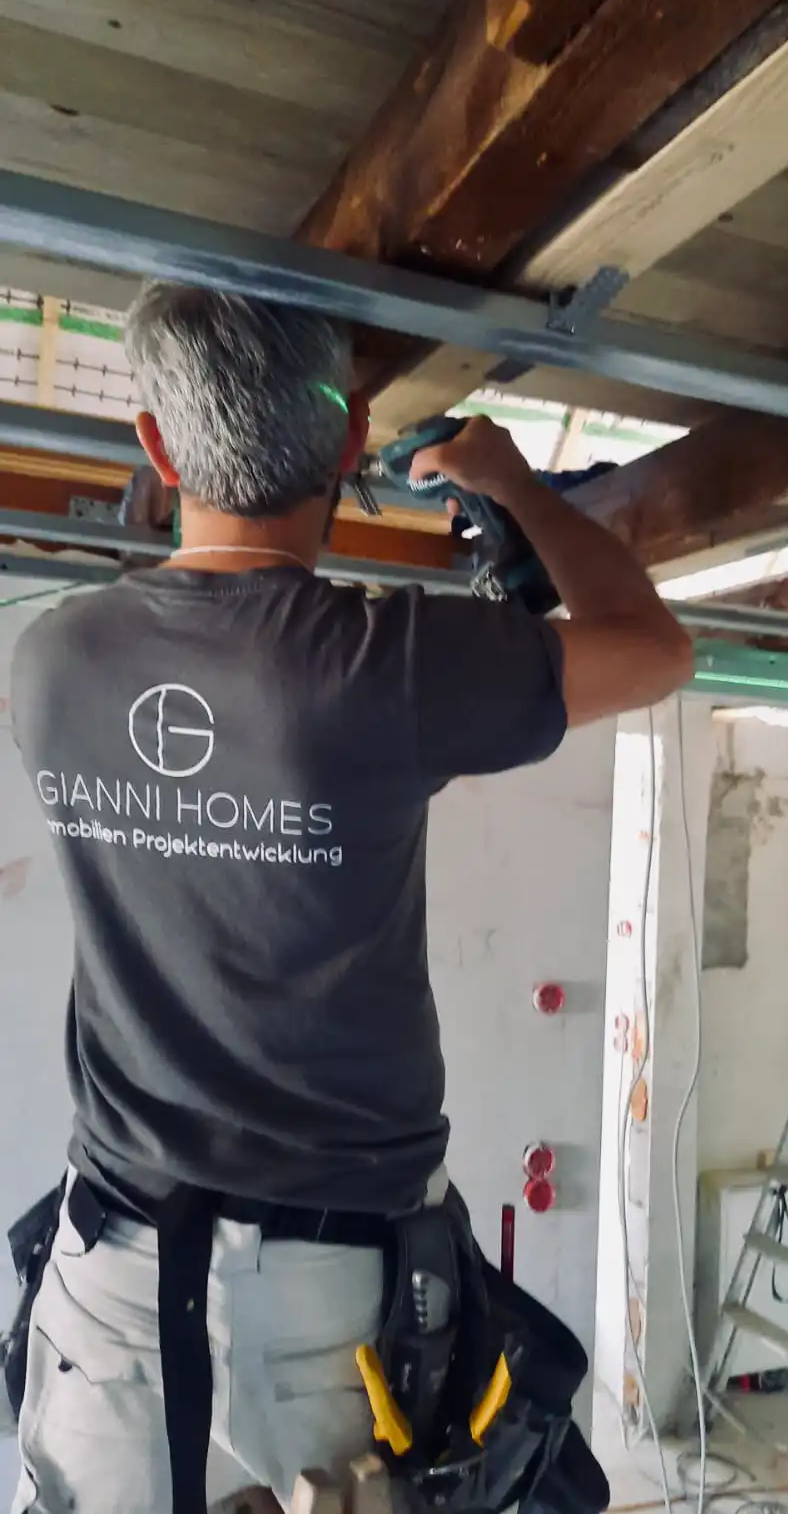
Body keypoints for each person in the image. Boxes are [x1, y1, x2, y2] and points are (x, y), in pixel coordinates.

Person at [7, 286, 693, 1513]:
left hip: (108, 1292)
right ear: (351, 438)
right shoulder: (387, 665)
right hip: (334, 1318)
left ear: (155, 445)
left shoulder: (54, 658)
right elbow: (652, 648)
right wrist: (514, 483)